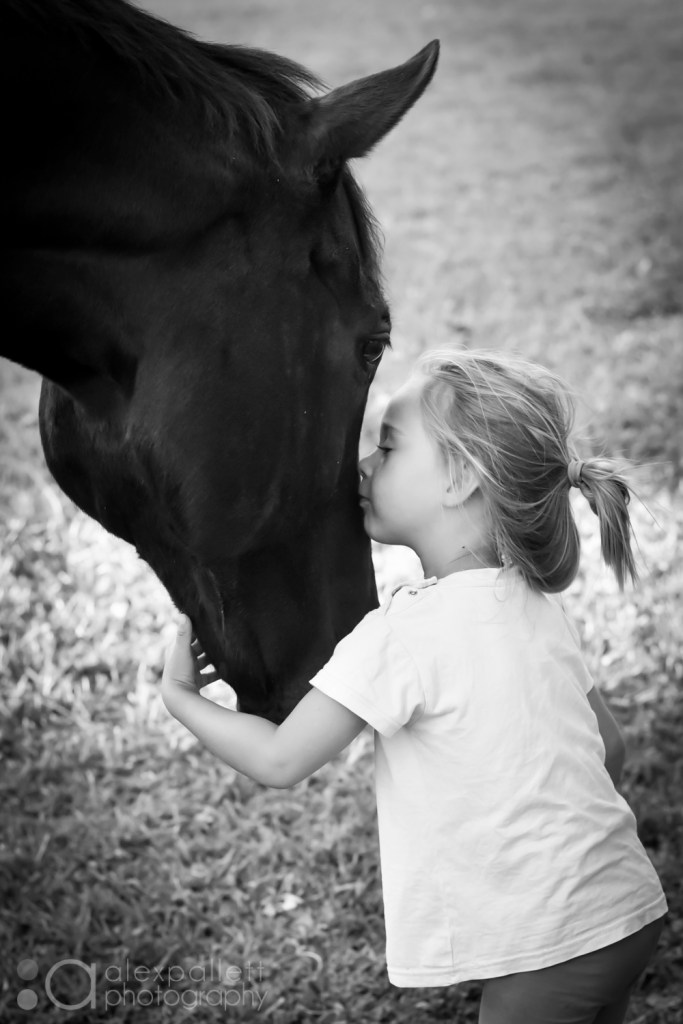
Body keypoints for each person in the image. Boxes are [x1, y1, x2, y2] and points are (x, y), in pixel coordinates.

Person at [161, 348, 667, 1024]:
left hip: (552, 942)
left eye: (388, 447)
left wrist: (182, 699)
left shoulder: (403, 632)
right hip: (625, 909)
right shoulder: (535, 606)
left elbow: (281, 758)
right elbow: (608, 747)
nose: (362, 465)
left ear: (459, 478)